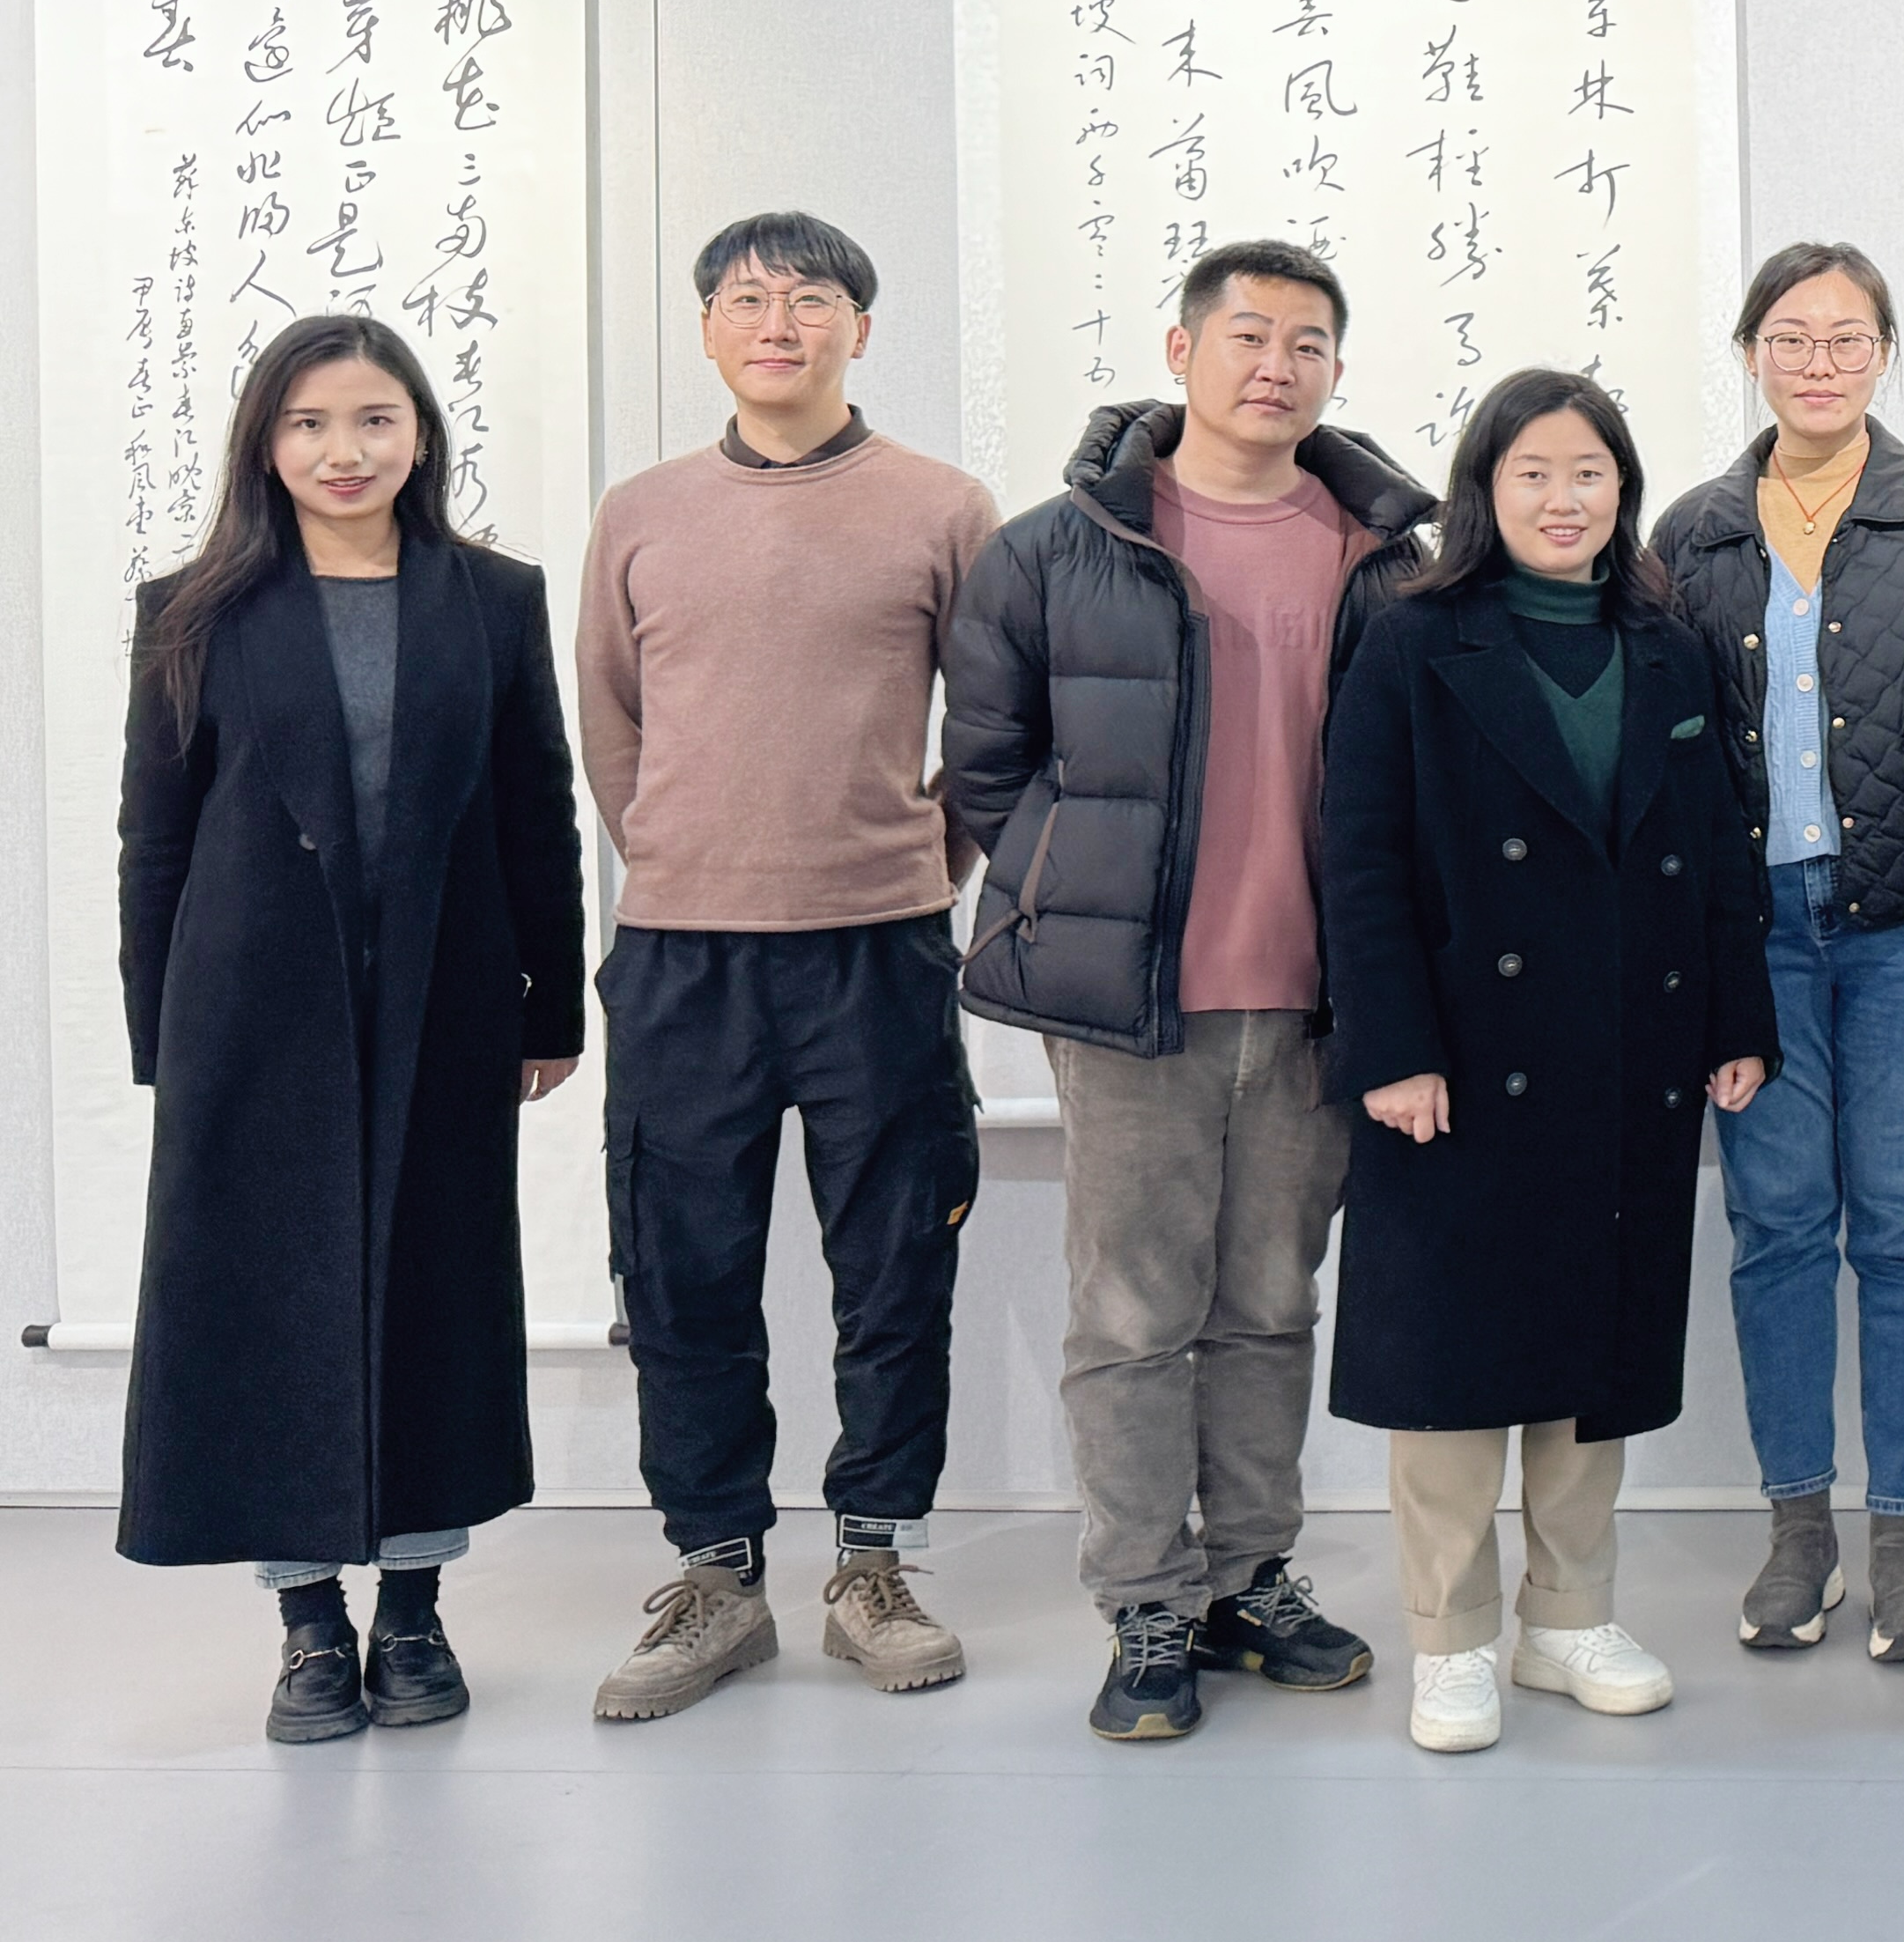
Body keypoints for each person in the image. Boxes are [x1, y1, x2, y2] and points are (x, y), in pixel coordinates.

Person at [945, 240, 1440, 1742]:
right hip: (1136, 1003)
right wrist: (1073, 890)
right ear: (1180, 351)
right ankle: (1144, 1601)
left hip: (1317, 1001)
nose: (1276, 366)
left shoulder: (1385, 558)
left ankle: (1250, 1578)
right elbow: (986, 764)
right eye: (1248, 335)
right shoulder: (1057, 548)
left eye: (1308, 343)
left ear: (1336, 368)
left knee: (1272, 1303)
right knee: (1134, 1310)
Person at [114, 316, 586, 1743]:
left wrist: (552, 1001)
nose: (344, 450)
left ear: (420, 435)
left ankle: (417, 1615)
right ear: (267, 444)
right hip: (250, 1014)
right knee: (269, 1307)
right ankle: (310, 1624)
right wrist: (161, 1035)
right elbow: (155, 837)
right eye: (310, 423)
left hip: (447, 1001)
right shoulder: (193, 609)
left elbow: (537, 812)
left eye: (375, 419)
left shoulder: (491, 599)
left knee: (434, 1293)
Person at [572, 213, 1003, 1723]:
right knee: (681, 1269)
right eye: (747, 301)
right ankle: (718, 1575)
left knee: (893, 1268)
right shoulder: (641, 512)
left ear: (859, 330)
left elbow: (992, 727)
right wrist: (680, 858)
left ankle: (874, 1562)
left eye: (811, 300)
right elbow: (609, 724)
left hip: (878, 948)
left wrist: (919, 861)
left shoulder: (943, 507)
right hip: (681, 955)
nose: (779, 324)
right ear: (706, 330)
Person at [1322, 372, 1776, 1754]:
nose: (1563, 499)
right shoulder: (1412, 641)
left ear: (1622, 491)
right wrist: (1394, 1050)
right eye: (1533, 473)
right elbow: (1360, 861)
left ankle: (1569, 1618)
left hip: (1627, 1049)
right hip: (1459, 1061)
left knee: (1597, 1346)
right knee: (1453, 1361)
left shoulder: (1666, 646)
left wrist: (1735, 1020)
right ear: (1485, 488)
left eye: (1589, 474)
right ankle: (1451, 1637)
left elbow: (1717, 852)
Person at [1654, 242, 1904, 1665]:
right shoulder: (1692, 533)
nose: (1819, 363)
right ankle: (1799, 1531)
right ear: (1752, 352)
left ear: (1884, 355)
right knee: (1780, 1225)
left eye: (1848, 338)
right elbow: (1668, 763)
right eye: (1792, 338)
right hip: (1755, 943)